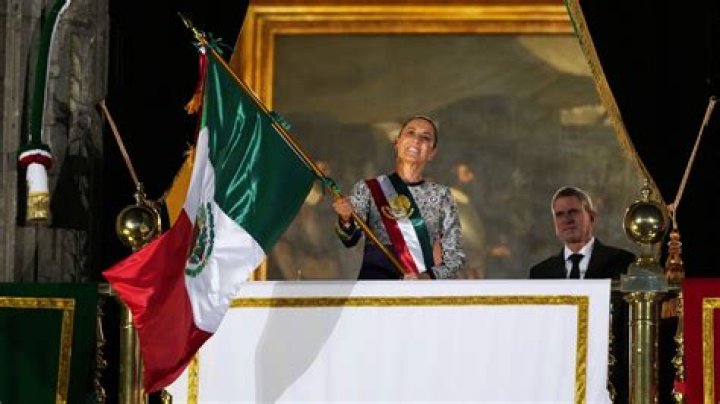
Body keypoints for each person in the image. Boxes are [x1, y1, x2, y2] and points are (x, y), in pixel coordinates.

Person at [528, 186, 634, 403]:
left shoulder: (623, 262)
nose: (567, 219)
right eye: (560, 214)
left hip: (611, 377)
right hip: (557, 378)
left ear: (591, 216)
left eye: (573, 212)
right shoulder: (540, 273)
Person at [332, 116, 465, 280]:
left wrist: (425, 278)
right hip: (375, 288)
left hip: (418, 291)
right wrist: (345, 218)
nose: (416, 140)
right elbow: (349, 240)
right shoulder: (368, 188)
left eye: (425, 137)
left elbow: (454, 258)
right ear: (397, 142)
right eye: (410, 133)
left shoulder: (441, 195)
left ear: (432, 153)